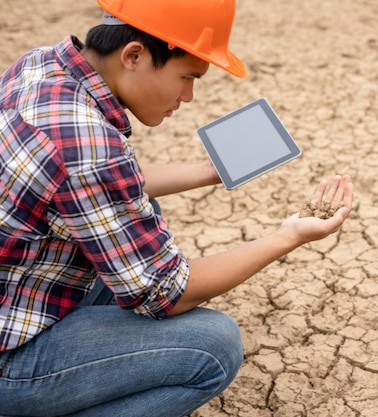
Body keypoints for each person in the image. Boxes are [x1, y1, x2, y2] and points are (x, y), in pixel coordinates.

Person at [0, 0, 353, 415]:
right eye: (187, 77)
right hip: (12, 356)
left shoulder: (42, 66)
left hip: (17, 289)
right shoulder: (88, 144)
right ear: (133, 55)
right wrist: (287, 236)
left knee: (142, 210)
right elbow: (165, 293)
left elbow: (96, 179)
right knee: (213, 347)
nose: (188, 96)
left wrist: (210, 170)